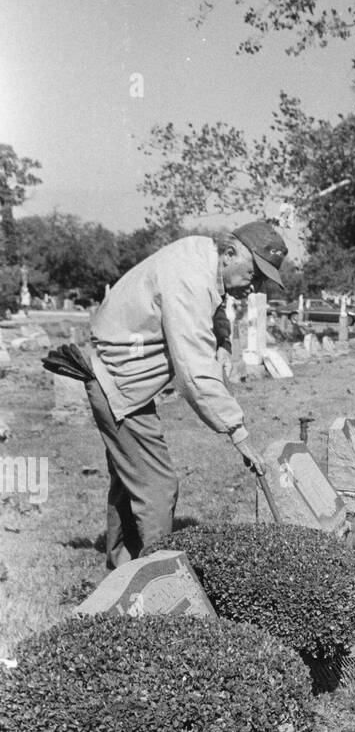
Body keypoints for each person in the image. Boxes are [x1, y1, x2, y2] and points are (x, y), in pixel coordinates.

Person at [86, 221, 287, 568]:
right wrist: (238, 433)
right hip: (118, 380)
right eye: (253, 272)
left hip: (120, 375)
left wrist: (223, 342)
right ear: (230, 253)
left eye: (262, 278)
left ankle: (123, 564)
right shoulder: (189, 279)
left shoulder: (205, 257)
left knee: (130, 475)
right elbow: (194, 372)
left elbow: (216, 304)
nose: (256, 284)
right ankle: (159, 579)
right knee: (158, 484)